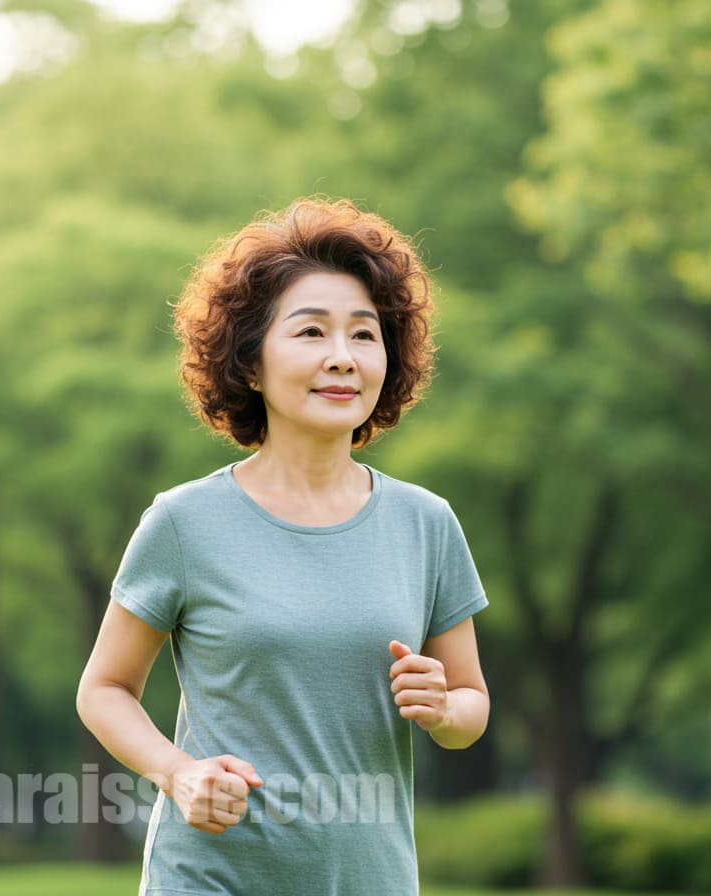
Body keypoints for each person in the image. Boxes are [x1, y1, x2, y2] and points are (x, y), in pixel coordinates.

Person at [76, 198, 490, 895]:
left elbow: (471, 702)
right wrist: (178, 773)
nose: (342, 357)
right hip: (209, 878)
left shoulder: (426, 523)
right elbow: (105, 689)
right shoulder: (184, 523)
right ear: (250, 362)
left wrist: (445, 710)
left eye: (364, 335)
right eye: (310, 332)